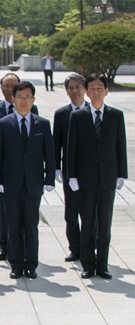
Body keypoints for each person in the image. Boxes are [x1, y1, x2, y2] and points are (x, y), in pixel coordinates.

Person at [0, 81, 55, 279]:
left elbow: (49, 154)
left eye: (28, 97)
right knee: (13, 225)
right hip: (10, 183)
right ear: (13, 99)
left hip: (33, 183)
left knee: (31, 225)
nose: (24, 101)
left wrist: (50, 179)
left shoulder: (42, 124)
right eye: (20, 97)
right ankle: (16, 264)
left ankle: (31, 264)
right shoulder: (3, 124)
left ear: (33, 99)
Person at [67, 74, 127, 280]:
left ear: (106, 91)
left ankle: (102, 265)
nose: (96, 92)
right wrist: (72, 175)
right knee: (87, 223)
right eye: (91, 89)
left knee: (104, 224)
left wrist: (121, 174)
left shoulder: (116, 115)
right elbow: (72, 149)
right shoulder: (78, 116)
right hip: (86, 179)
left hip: (108, 178)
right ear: (86, 92)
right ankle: (88, 264)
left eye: (99, 88)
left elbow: (120, 146)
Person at [0, 73, 39, 262]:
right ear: (1, 88)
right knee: (2, 212)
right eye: (6, 86)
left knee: (25, 215)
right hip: (3, 171)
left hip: (25, 173)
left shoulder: (32, 109)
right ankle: (3, 245)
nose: (9, 89)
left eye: (13, 85)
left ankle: (21, 247)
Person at [53, 73, 89, 263]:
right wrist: (56, 168)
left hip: (91, 171)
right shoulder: (61, 114)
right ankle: (75, 249)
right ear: (66, 91)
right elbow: (56, 143)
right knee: (71, 213)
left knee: (90, 213)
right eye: (71, 88)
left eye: (78, 87)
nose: (74, 91)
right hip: (69, 170)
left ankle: (89, 248)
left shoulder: (93, 111)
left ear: (85, 89)